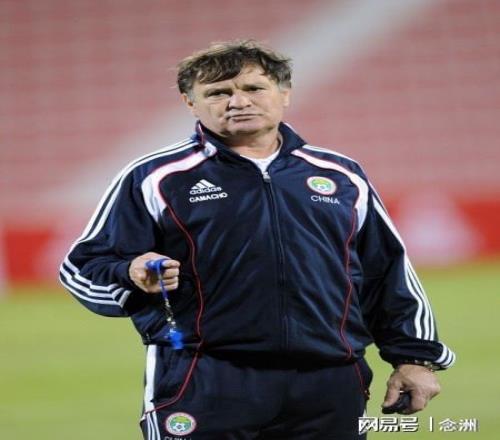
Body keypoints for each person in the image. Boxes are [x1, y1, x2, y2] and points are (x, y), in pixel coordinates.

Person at [59, 40, 455, 439]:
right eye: (218, 93)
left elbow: (387, 272)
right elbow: (82, 268)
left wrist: (413, 357)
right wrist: (129, 273)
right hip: (204, 378)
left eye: (253, 88)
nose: (238, 101)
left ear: (284, 93)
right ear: (190, 103)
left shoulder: (341, 175)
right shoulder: (156, 177)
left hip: (330, 381)